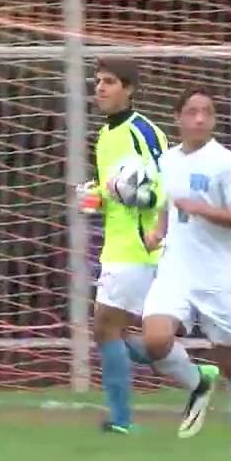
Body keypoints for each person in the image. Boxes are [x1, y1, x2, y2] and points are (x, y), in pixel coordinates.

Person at [140, 88, 231, 453]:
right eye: (192, 112)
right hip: (176, 270)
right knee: (155, 340)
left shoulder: (226, 163)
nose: (199, 119)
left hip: (219, 278)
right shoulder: (169, 160)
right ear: (178, 118)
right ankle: (197, 384)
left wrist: (204, 209)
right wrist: (157, 230)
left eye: (206, 112)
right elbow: (167, 202)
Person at [75, 56, 168, 434]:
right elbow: (117, 187)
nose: (100, 88)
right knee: (117, 332)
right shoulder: (105, 135)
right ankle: (195, 372)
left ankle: (121, 419)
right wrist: (96, 195)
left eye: (109, 82)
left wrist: (136, 198)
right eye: (97, 81)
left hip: (139, 246)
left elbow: (165, 187)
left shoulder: (143, 132)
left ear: (128, 89)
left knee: (105, 329)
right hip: (115, 245)